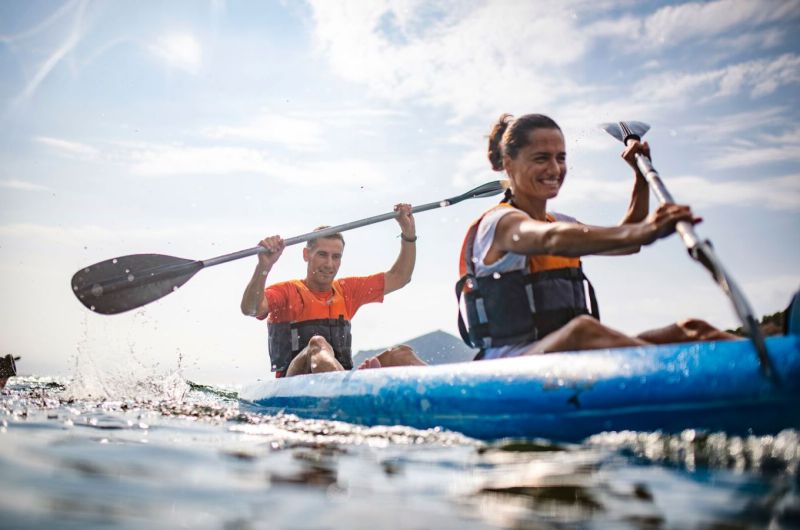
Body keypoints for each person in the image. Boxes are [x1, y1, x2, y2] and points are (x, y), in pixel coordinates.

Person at [456, 113, 737, 359]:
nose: (554, 169)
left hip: (567, 356)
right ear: (509, 164)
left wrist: (640, 179)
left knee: (691, 329)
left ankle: (771, 360)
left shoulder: (561, 221)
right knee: (583, 331)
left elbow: (628, 242)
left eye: (560, 158)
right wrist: (647, 228)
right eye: (541, 158)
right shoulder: (501, 223)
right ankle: (682, 376)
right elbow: (552, 239)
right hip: (510, 365)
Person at [242, 204, 426, 377]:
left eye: (336, 257)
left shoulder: (347, 291)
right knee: (317, 344)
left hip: (338, 378)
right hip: (293, 381)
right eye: (322, 255)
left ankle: (451, 396)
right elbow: (250, 309)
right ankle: (349, 385)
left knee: (402, 354)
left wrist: (408, 234)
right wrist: (263, 266)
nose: (329, 264)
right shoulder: (286, 292)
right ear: (307, 255)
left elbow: (400, 277)